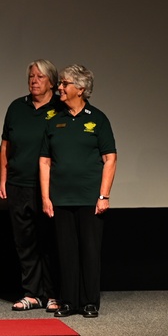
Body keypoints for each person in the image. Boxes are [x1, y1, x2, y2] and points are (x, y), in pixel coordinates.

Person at [41, 64, 117, 318]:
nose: (59, 88)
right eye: (60, 83)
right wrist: (45, 197)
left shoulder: (98, 118)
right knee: (66, 251)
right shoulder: (54, 120)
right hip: (61, 197)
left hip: (89, 198)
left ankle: (89, 302)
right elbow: (45, 161)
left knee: (89, 251)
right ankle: (70, 301)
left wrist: (103, 195)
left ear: (81, 89)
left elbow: (110, 158)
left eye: (65, 84)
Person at [0, 59, 64, 313]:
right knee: (24, 241)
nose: (34, 81)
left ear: (52, 82)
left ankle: (52, 294)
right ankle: (32, 293)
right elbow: (6, 145)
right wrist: (3, 178)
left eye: (39, 77)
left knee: (48, 241)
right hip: (18, 184)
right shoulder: (17, 107)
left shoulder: (60, 108)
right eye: (31, 77)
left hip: (49, 187)